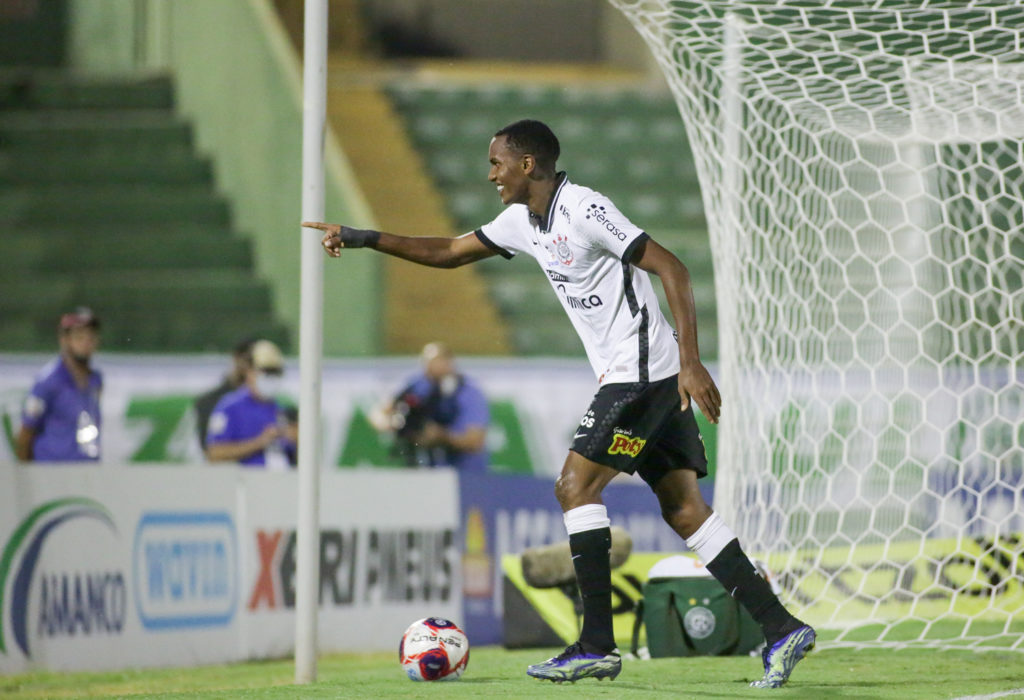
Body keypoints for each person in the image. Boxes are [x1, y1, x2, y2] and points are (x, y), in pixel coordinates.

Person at [304, 119, 814, 689]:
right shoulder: (521, 222)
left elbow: (672, 267)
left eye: (497, 162)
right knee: (684, 510)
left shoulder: (585, 209)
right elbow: (448, 250)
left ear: (528, 165)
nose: (490, 173)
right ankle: (781, 628)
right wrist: (364, 236)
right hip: (644, 376)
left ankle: (596, 644)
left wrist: (692, 362)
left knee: (574, 487)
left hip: (641, 372)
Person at [370, 341, 490, 472]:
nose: (430, 367)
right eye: (426, 362)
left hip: (464, 473)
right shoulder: (419, 385)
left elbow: (475, 441)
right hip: (425, 471)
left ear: (449, 362)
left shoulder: (468, 392)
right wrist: (393, 424)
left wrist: (441, 436)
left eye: (437, 361)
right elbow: (381, 412)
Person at [16, 307, 103, 463]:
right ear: (65, 340)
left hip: (86, 473)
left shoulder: (95, 380)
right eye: (79, 337)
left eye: (91, 337)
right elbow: (26, 433)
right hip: (53, 474)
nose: (86, 343)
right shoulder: (48, 381)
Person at [205, 339, 297, 469]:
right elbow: (214, 453)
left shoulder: (282, 409)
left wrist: (298, 440)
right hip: (244, 483)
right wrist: (259, 443)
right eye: (266, 372)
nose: (270, 378)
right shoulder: (230, 407)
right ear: (249, 372)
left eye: (275, 372)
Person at [193, 337, 256, 451]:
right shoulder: (209, 402)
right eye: (251, 362)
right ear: (237, 358)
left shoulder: (272, 406)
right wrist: (260, 442)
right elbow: (210, 451)